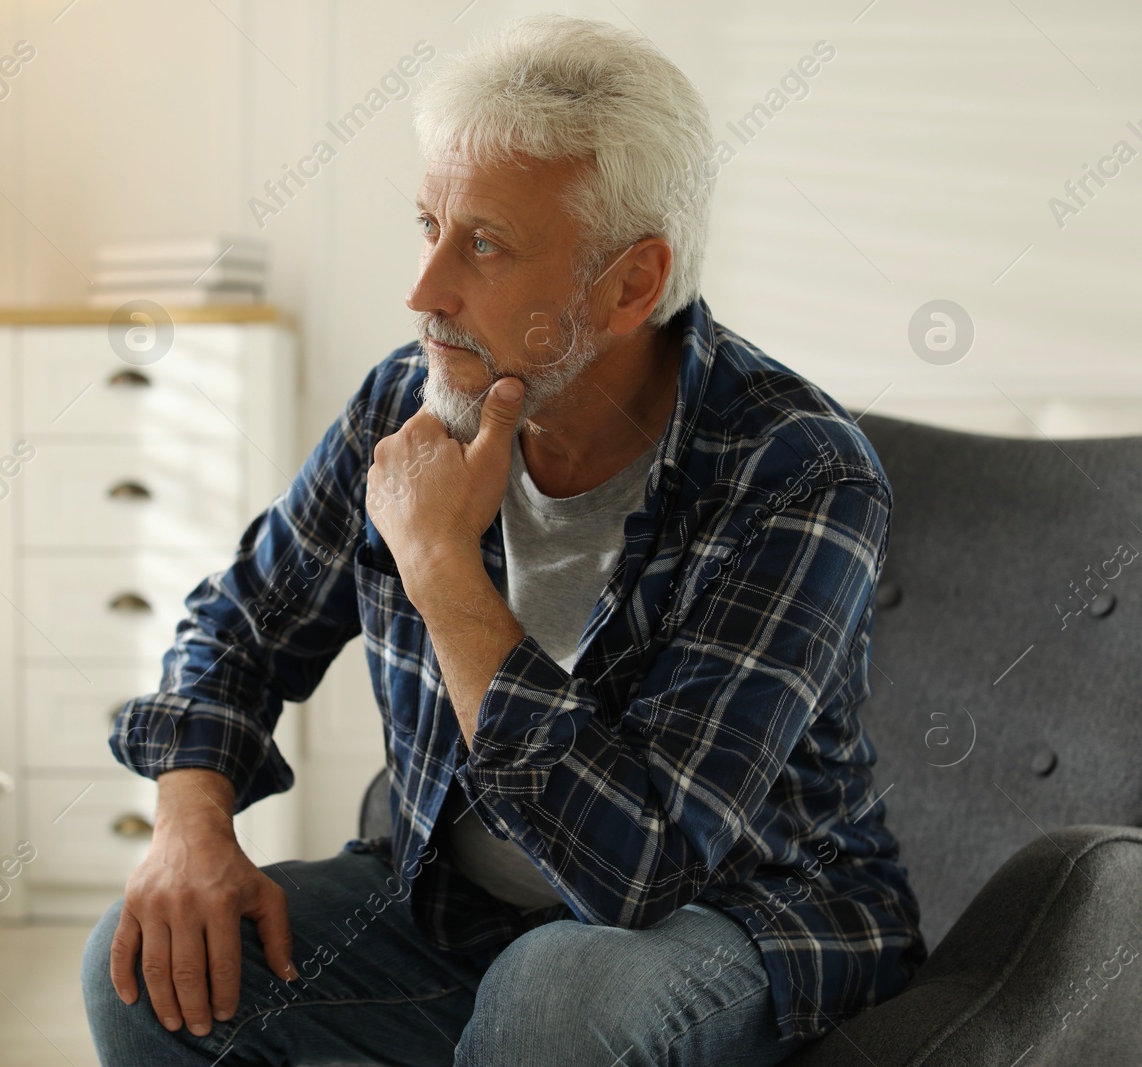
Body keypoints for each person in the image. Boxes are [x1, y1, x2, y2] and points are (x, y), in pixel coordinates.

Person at [82, 14, 925, 1066]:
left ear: (631, 283)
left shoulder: (796, 473)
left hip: (741, 922)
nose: (423, 288)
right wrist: (189, 826)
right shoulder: (406, 398)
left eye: (481, 242)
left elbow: (637, 870)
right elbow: (238, 627)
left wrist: (438, 565)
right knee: (146, 965)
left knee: (555, 995)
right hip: (456, 910)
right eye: (427, 223)